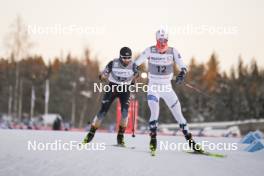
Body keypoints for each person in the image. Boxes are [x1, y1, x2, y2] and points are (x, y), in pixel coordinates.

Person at [134, 29, 202, 154]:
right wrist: (135, 69)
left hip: (167, 88)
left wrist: (182, 73)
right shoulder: (150, 50)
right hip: (153, 87)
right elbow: (136, 62)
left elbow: (183, 66)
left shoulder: (173, 51)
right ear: (156, 40)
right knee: (155, 113)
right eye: (160, 40)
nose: (162, 43)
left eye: (164, 40)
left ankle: (192, 143)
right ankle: (153, 141)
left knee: (179, 116)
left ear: (167, 40)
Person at [83, 47, 137, 146]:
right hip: (112, 88)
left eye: (129, 58)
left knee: (125, 113)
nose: (127, 60)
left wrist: (133, 80)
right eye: (124, 58)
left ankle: (120, 137)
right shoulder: (113, 63)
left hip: (125, 89)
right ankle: (90, 134)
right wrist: (102, 77)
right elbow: (104, 73)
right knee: (102, 112)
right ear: (120, 57)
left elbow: (137, 75)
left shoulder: (133, 65)